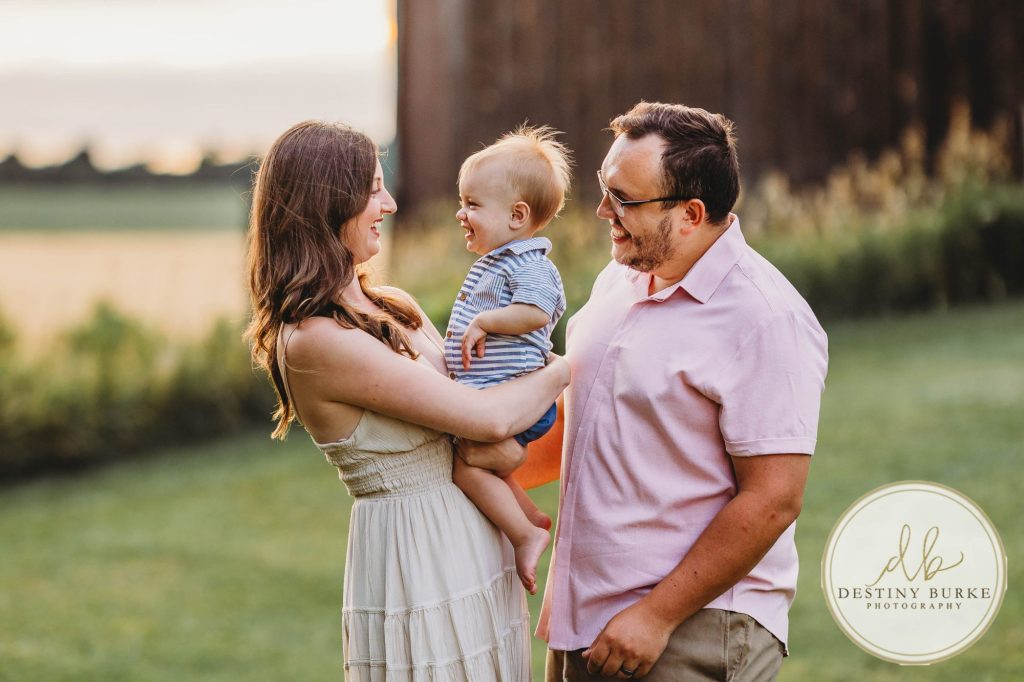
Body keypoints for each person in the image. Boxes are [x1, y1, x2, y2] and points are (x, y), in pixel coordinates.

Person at [245, 120, 569, 681]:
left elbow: (479, 393)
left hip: (474, 548)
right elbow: (487, 417)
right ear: (329, 200)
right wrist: (568, 365)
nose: (390, 203)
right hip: (416, 564)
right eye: (373, 189)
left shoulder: (393, 304)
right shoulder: (314, 340)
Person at [531, 102, 829, 681]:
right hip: (584, 618)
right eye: (604, 190)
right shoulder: (620, 277)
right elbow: (583, 420)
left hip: (688, 629)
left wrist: (656, 616)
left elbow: (773, 499)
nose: (602, 212)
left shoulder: (766, 319)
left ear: (691, 213)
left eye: (625, 200)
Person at [444, 126, 571, 596]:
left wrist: (488, 322)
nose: (461, 213)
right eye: (463, 201)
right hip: (497, 394)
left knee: (467, 465)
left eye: (473, 205)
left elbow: (537, 312)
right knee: (480, 464)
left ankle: (525, 534)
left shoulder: (531, 264)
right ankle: (530, 516)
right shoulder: (499, 261)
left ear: (518, 216)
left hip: (517, 399)